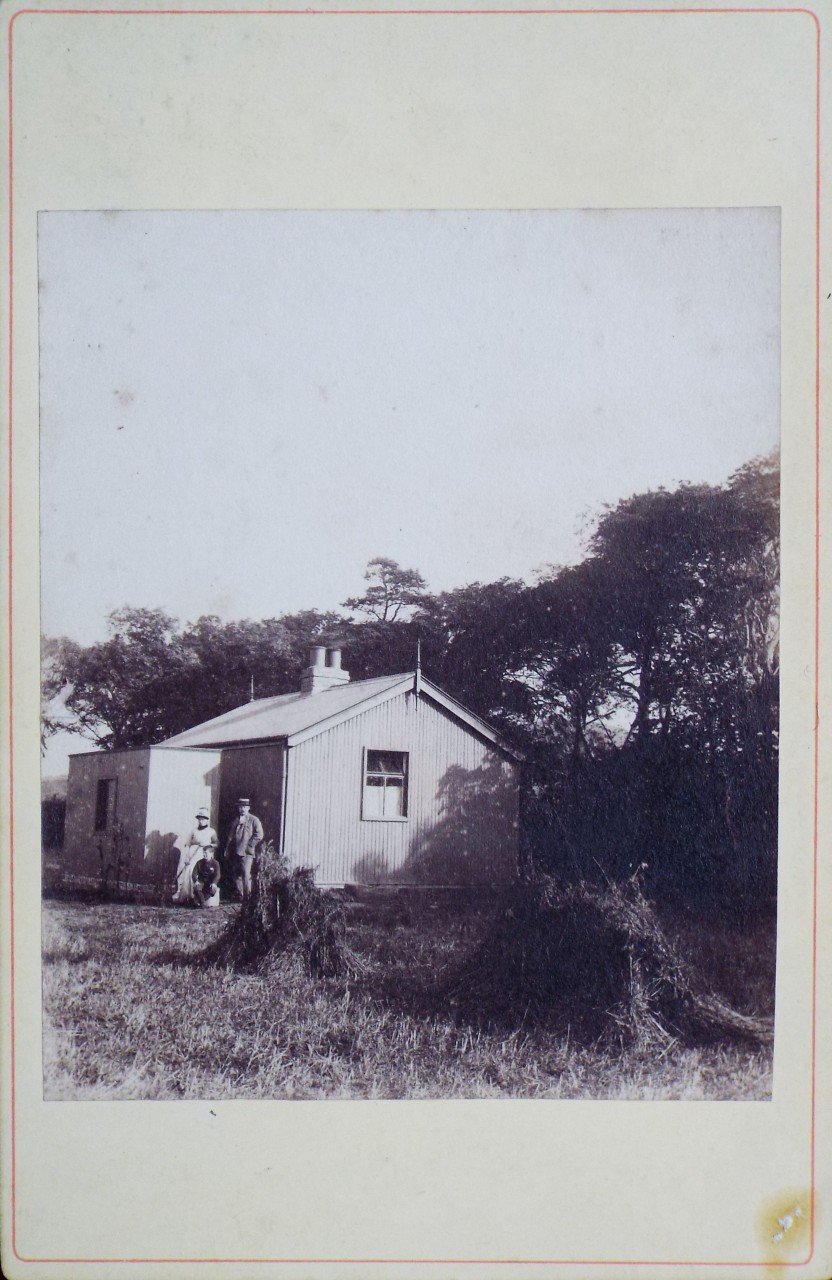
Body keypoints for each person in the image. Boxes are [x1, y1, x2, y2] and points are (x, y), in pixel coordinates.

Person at [172, 806, 218, 904]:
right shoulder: (194, 831)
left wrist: (208, 845)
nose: (201, 821)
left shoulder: (211, 831)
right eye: (200, 819)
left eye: (203, 819)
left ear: (207, 820)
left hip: (204, 853)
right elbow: (188, 844)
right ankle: (187, 896)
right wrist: (187, 856)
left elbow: (216, 843)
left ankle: (198, 897)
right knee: (189, 872)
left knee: (200, 873)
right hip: (193, 853)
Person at [224, 797, 264, 900]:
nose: (242, 809)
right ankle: (240, 895)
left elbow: (259, 834)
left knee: (246, 874)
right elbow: (230, 836)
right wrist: (227, 849)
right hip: (235, 851)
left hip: (246, 852)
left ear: (248, 808)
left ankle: (247, 897)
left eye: (245, 807)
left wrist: (250, 844)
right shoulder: (236, 820)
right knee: (236, 874)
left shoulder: (254, 820)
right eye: (241, 807)